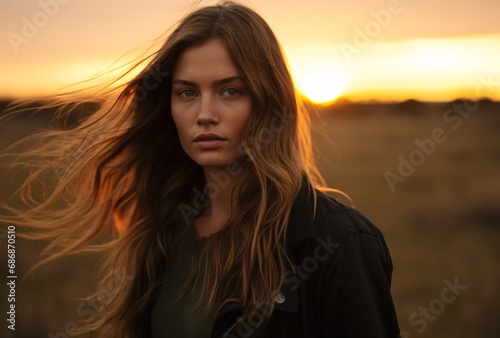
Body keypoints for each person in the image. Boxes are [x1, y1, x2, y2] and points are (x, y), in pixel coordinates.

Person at [1, 1, 400, 337]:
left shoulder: (340, 243)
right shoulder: (164, 229)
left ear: (269, 101)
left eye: (230, 91)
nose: (204, 115)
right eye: (187, 93)